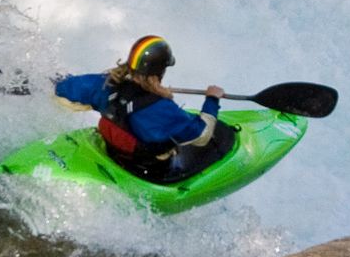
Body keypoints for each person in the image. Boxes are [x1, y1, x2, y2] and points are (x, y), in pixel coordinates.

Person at [53, 35, 235, 182]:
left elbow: (64, 89)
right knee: (217, 135)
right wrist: (212, 99)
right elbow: (201, 136)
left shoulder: (106, 84)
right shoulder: (161, 109)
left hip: (114, 153)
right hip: (146, 170)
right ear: (161, 71)